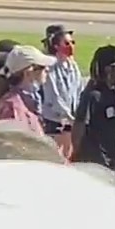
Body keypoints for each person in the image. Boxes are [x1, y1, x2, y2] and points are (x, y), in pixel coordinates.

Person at [71, 45, 115, 168]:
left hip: (112, 156)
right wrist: (76, 152)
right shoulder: (93, 94)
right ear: (108, 69)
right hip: (94, 158)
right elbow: (79, 123)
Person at [0, 44, 52, 135]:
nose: (47, 69)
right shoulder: (12, 107)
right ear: (28, 72)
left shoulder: (22, 101)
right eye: (42, 67)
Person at [40, 24, 82, 157]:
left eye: (72, 42)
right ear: (56, 46)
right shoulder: (50, 67)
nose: (71, 46)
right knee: (56, 155)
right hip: (54, 119)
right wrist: (68, 116)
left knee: (69, 154)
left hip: (70, 119)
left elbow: (78, 89)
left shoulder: (72, 65)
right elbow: (53, 95)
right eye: (66, 43)